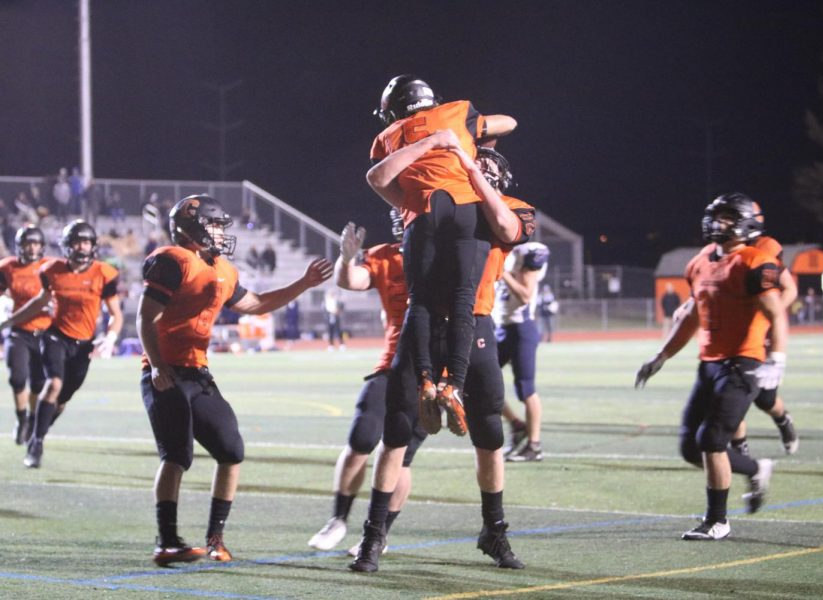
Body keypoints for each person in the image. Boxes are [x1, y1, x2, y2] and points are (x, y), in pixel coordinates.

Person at [351, 141, 531, 573]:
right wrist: (433, 143)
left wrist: (472, 169)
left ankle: (494, 530)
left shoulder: (510, 206)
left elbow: (507, 230)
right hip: (426, 324)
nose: (476, 168)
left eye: (486, 165)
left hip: (477, 324)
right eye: (471, 162)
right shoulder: (431, 201)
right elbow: (379, 177)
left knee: (489, 432)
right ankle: (373, 536)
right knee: (396, 429)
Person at [137, 194, 332, 566]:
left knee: (231, 450)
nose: (218, 232)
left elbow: (256, 304)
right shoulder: (172, 260)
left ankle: (215, 539)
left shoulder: (223, 269)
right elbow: (146, 319)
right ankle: (166, 541)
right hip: (165, 372)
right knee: (176, 455)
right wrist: (158, 366)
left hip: (198, 373)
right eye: (212, 225)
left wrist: (303, 283)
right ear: (190, 227)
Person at [369, 75, 517, 435]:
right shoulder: (458, 112)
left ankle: (426, 382)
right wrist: (461, 136)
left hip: (421, 214)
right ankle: (454, 384)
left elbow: (377, 178)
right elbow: (509, 122)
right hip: (465, 207)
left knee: (419, 302)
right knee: (464, 299)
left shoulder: (387, 137)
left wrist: (409, 205)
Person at [635, 192, 787, 541]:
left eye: (727, 218)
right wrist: (661, 356)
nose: (718, 224)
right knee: (691, 447)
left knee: (712, 438)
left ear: (747, 223)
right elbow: (691, 315)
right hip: (710, 363)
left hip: (743, 362)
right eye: (717, 217)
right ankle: (756, 468)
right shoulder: (700, 261)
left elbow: (775, 313)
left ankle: (717, 520)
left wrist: (776, 359)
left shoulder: (755, 262)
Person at [308, 208, 410, 552]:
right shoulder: (386, 256)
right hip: (391, 363)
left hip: (432, 370)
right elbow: (349, 281)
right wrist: (346, 259)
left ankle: (379, 533)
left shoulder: (447, 255)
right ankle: (337, 519)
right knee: (361, 438)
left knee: (401, 454)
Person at [0, 220, 123, 469]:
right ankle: (36, 444)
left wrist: (111, 337)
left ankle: (39, 427)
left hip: (84, 344)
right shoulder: (52, 270)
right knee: (53, 383)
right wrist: (11, 320)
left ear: (93, 245)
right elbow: (40, 301)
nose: (82, 246)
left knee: (63, 397)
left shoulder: (104, 273)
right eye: (77, 241)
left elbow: (115, 314)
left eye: (86, 241)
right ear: (67, 246)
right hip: (56, 335)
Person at [489, 148, 549, 462]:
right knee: (482, 383)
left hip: (523, 327)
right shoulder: (499, 245)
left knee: (526, 387)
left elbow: (526, 295)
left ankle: (534, 445)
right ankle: (517, 425)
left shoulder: (531, 251)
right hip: (500, 327)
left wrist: (502, 274)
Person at [730, 211, 799, 457]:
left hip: (759, 331)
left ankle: (782, 420)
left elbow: (789, 287)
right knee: (730, 396)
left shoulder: (764, 250)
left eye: (729, 219)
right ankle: (741, 450)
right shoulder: (717, 250)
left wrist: (772, 315)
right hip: (729, 334)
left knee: (765, 399)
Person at [0, 225, 51, 445]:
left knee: (38, 383)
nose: (32, 248)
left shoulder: (50, 268)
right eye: (27, 244)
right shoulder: (7, 267)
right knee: (17, 377)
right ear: (19, 246)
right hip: (18, 330)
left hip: (44, 332)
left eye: (35, 243)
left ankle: (31, 418)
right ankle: (22, 418)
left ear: (42, 246)